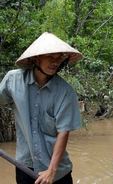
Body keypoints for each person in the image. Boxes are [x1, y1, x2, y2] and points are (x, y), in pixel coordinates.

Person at [0, 32, 83, 184]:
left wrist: (51, 171)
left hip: (57, 172)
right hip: (25, 166)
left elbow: (63, 133)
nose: (55, 62)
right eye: (51, 56)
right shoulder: (14, 80)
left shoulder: (65, 92)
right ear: (36, 58)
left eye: (59, 58)